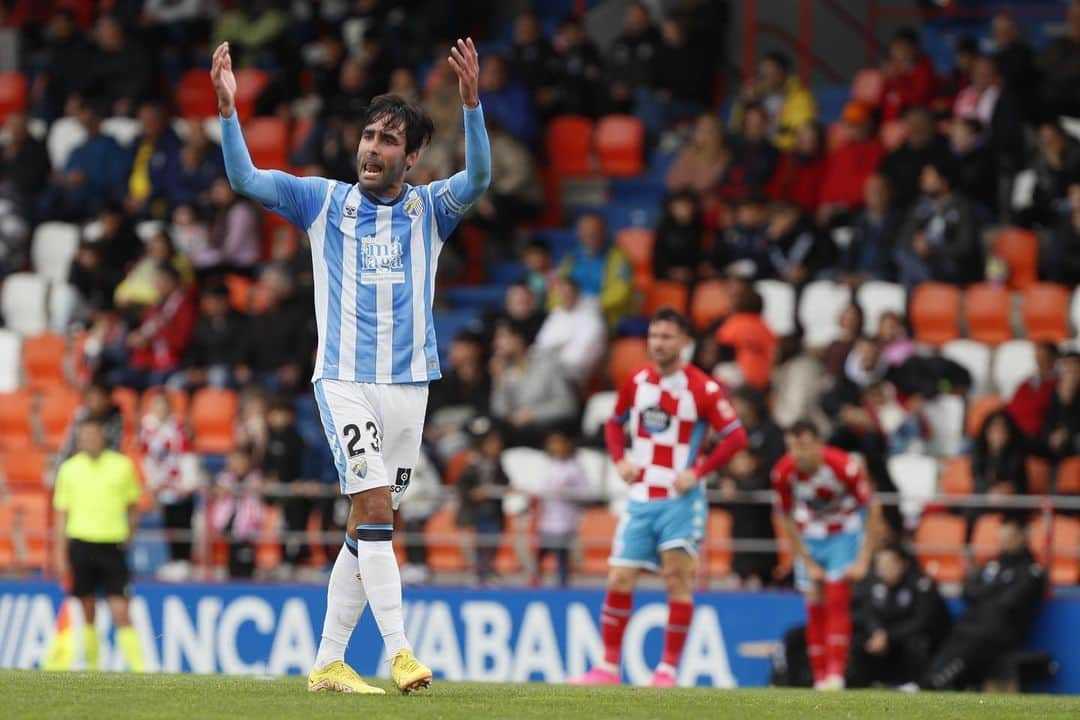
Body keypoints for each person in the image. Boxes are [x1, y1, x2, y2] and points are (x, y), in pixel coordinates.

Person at [212, 35, 490, 693]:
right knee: (373, 508)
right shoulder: (321, 202)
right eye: (369, 135)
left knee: (368, 525)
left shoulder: (430, 210)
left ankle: (327, 663)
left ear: (412, 157)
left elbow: (479, 179)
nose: (372, 147)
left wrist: (472, 105)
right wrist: (228, 113)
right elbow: (244, 179)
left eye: (389, 140)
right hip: (343, 380)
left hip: (410, 386)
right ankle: (399, 651)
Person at [570, 308, 749, 687]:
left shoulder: (703, 387)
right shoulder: (636, 382)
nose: (658, 343)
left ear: (684, 343)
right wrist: (619, 460)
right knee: (619, 577)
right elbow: (614, 424)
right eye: (654, 336)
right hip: (640, 497)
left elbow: (735, 436)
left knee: (676, 580)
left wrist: (698, 472)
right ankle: (607, 667)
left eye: (667, 336)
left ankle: (666, 670)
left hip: (680, 501)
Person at [772, 420, 883, 690]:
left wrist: (864, 559)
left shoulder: (842, 466)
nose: (799, 454)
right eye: (794, 447)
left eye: (805, 446)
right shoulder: (783, 473)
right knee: (813, 605)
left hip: (842, 535)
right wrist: (805, 560)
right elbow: (785, 518)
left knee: (836, 599)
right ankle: (819, 676)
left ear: (818, 445)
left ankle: (835, 674)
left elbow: (873, 507)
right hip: (809, 537)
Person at [50, 418, 145, 672]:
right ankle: (93, 668)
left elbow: (134, 506)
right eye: (84, 437)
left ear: (103, 437)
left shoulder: (122, 466)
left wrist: (129, 534)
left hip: (112, 545)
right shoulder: (69, 469)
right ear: (78, 441)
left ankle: (140, 670)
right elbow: (61, 514)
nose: (88, 441)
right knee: (86, 609)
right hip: (81, 544)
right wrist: (60, 553)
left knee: (121, 610)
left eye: (93, 436)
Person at [922, 516, 1046, 690]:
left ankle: (936, 683)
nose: (1005, 543)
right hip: (975, 624)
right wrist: (996, 588)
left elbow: (1009, 602)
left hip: (1004, 632)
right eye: (1002, 538)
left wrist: (987, 592)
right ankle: (928, 679)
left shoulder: (1031, 571)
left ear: (1023, 536)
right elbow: (968, 590)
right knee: (952, 632)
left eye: (1010, 538)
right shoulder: (992, 565)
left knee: (974, 639)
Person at [847, 544, 951, 689]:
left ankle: (917, 685)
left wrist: (888, 636)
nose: (885, 569)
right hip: (883, 639)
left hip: (907, 638)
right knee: (858, 640)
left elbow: (922, 621)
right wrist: (876, 632)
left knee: (917, 643)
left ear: (903, 564)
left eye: (889, 564)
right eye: (880, 564)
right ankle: (860, 685)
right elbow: (867, 613)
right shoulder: (872, 584)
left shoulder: (920, 584)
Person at [893, 159, 983, 289]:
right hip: (922, 262)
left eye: (929, 175)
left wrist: (932, 249)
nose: (923, 179)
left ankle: (927, 291)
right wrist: (917, 244)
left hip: (950, 265)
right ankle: (929, 288)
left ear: (943, 180)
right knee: (902, 255)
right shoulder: (919, 206)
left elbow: (965, 247)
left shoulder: (963, 207)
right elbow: (903, 238)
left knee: (908, 272)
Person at [489, 319, 579, 447]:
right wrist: (499, 383)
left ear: (518, 339)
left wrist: (533, 414)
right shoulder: (506, 371)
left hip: (549, 428)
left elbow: (568, 406)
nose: (496, 344)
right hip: (519, 433)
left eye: (502, 337)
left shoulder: (547, 363)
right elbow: (500, 414)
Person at [138, 392, 197, 581]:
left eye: (164, 405)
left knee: (183, 522)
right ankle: (173, 560)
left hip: (180, 485)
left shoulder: (178, 428)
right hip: (162, 486)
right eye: (157, 406)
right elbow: (147, 459)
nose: (161, 410)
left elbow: (187, 455)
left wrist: (188, 481)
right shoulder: (147, 430)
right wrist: (153, 483)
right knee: (169, 523)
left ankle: (184, 561)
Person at [454, 420, 509, 585]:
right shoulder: (473, 463)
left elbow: (505, 481)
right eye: (492, 443)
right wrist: (475, 494)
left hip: (494, 511)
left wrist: (501, 489)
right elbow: (462, 486)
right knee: (479, 542)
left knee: (493, 541)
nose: (496, 447)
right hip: (477, 512)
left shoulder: (497, 463)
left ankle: (489, 570)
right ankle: (478, 571)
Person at [729, 51, 817, 152]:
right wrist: (744, 103)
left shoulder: (800, 96)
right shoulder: (755, 94)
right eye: (764, 73)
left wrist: (772, 144)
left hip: (781, 151)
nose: (768, 77)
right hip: (752, 148)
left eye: (772, 72)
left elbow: (799, 133)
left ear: (784, 73)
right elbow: (735, 128)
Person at [533, 430, 589, 587]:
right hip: (546, 520)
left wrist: (567, 492)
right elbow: (539, 488)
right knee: (540, 554)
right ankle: (535, 582)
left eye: (558, 443)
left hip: (565, 520)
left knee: (561, 556)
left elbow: (586, 492)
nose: (555, 447)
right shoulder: (548, 465)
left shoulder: (575, 467)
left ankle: (562, 585)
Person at [262, 397, 308, 576]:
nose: (277, 418)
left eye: (280, 413)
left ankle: (294, 560)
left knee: (295, 527)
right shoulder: (269, 438)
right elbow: (267, 464)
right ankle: (282, 560)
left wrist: (300, 480)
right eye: (274, 414)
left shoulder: (296, 438)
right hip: (278, 492)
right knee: (280, 527)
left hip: (295, 493)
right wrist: (267, 478)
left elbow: (302, 462)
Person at [533, 275, 606, 387]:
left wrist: (558, 348)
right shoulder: (556, 314)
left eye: (569, 293)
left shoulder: (591, 316)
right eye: (562, 293)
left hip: (575, 373)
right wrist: (561, 345)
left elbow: (582, 354)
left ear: (577, 293)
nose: (565, 296)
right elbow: (541, 344)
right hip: (549, 368)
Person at [209, 445, 266, 580]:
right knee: (232, 558)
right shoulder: (224, 478)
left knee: (246, 559)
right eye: (235, 460)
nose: (238, 464)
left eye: (241, 460)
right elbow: (215, 491)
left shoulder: (254, 478)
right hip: (228, 523)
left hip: (248, 527)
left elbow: (260, 493)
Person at [968, 410, 1029, 532]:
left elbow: (1021, 484)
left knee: (1014, 518)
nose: (997, 434)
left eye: (1002, 430)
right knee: (970, 509)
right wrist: (990, 491)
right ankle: (969, 546)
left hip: (1011, 502)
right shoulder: (980, 451)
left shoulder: (1016, 454)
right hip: (986, 498)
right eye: (994, 430)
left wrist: (1008, 490)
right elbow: (977, 480)